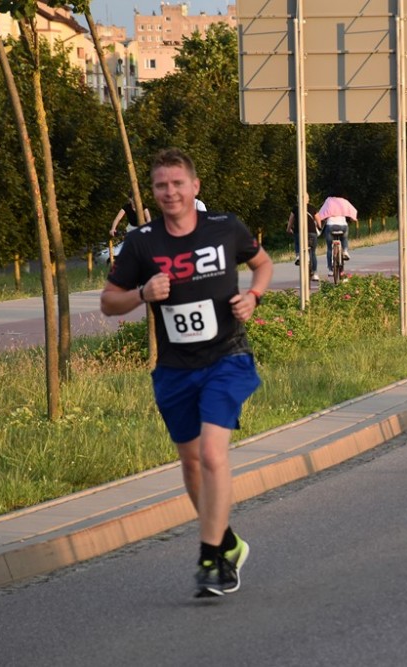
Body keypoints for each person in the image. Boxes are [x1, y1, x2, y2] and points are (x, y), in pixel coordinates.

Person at [100, 147, 273, 597]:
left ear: (194, 186)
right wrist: (142, 293)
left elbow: (263, 263)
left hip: (227, 357)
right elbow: (108, 302)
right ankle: (227, 542)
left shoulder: (225, 228)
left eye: (178, 183)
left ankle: (210, 558)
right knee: (192, 463)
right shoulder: (142, 242)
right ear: (153, 192)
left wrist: (253, 297)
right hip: (175, 369)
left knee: (213, 454)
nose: (170, 192)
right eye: (161, 185)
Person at [316, 192, 357, 280]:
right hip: (343, 226)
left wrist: (320, 221)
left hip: (330, 226)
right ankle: (345, 251)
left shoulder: (328, 200)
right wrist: (353, 218)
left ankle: (330, 270)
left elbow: (321, 213)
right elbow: (353, 210)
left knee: (329, 248)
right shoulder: (344, 201)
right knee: (344, 238)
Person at [288, 194, 321, 282]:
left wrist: (288, 229)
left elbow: (291, 220)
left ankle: (298, 255)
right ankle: (315, 273)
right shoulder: (312, 208)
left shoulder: (295, 208)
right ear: (308, 199)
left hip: (299, 232)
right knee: (313, 252)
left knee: (297, 242)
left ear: (298, 200)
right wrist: (319, 227)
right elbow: (318, 219)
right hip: (311, 232)